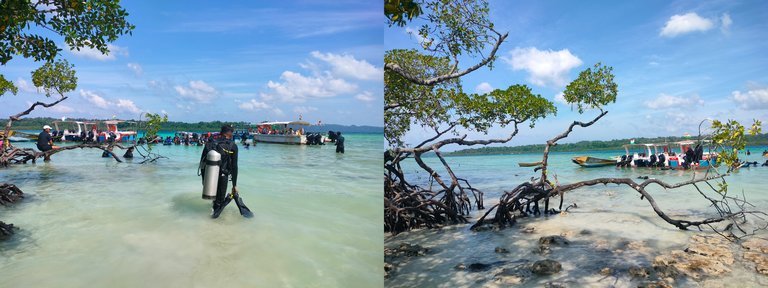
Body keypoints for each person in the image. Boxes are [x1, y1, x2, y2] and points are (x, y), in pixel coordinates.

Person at [200, 125, 252, 218]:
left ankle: (212, 215)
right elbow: (234, 166)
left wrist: (205, 180)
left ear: (221, 132)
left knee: (214, 199)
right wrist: (234, 185)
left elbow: (202, 163)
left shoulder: (210, 143)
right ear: (230, 134)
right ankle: (214, 220)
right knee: (219, 202)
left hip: (209, 176)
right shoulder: (232, 146)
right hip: (222, 176)